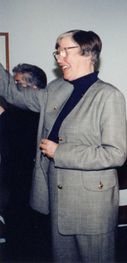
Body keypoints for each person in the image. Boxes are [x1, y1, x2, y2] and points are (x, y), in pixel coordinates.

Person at [0, 30, 127, 262]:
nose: (58, 57)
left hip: (91, 206)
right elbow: (11, 92)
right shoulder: (56, 89)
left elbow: (115, 154)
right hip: (57, 202)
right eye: (57, 51)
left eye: (64, 51)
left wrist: (61, 152)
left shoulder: (108, 96)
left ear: (88, 53)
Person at [0, 63, 51, 261]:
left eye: (18, 84)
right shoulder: (15, 113)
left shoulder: (40, 113)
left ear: (34, 89)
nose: (13, 90)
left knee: (31, 244)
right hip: (13, 188)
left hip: (32, 190)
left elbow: (20, 136)